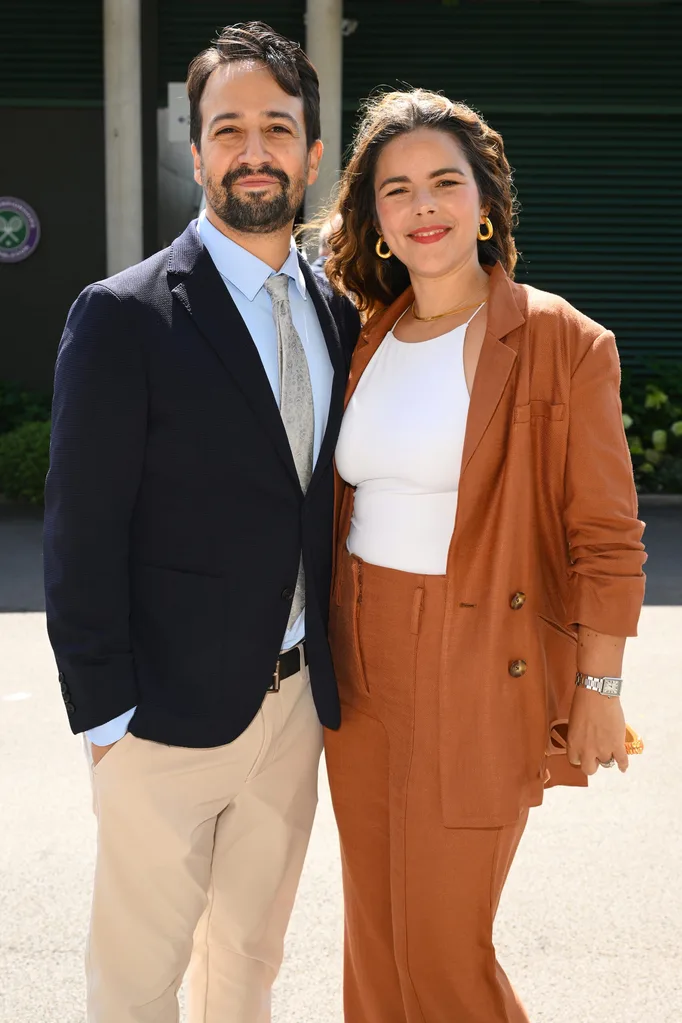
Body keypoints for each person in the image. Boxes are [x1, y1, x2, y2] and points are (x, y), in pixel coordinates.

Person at [43, 21, 359, 1023]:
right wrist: (106, 723)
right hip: (159, 723)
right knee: (137, 982)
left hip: (296, 708)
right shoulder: (122, 315)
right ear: (196, 151)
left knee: (250, 964)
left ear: (313, 152)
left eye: (278, 126)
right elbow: (78, 532)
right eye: (229, 129)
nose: (254, 149)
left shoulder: (340, 309)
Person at [322, 89, 646, 1023]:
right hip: (359, 661)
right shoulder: (364, 333)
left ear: (485, 202)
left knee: (442, 948)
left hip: (478, 661)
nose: (423, 207)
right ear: (375, 218)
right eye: (398, 190)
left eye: (444, 183)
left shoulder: (562, 341)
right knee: (377, 940)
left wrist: (601, 689)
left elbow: (606, 536)